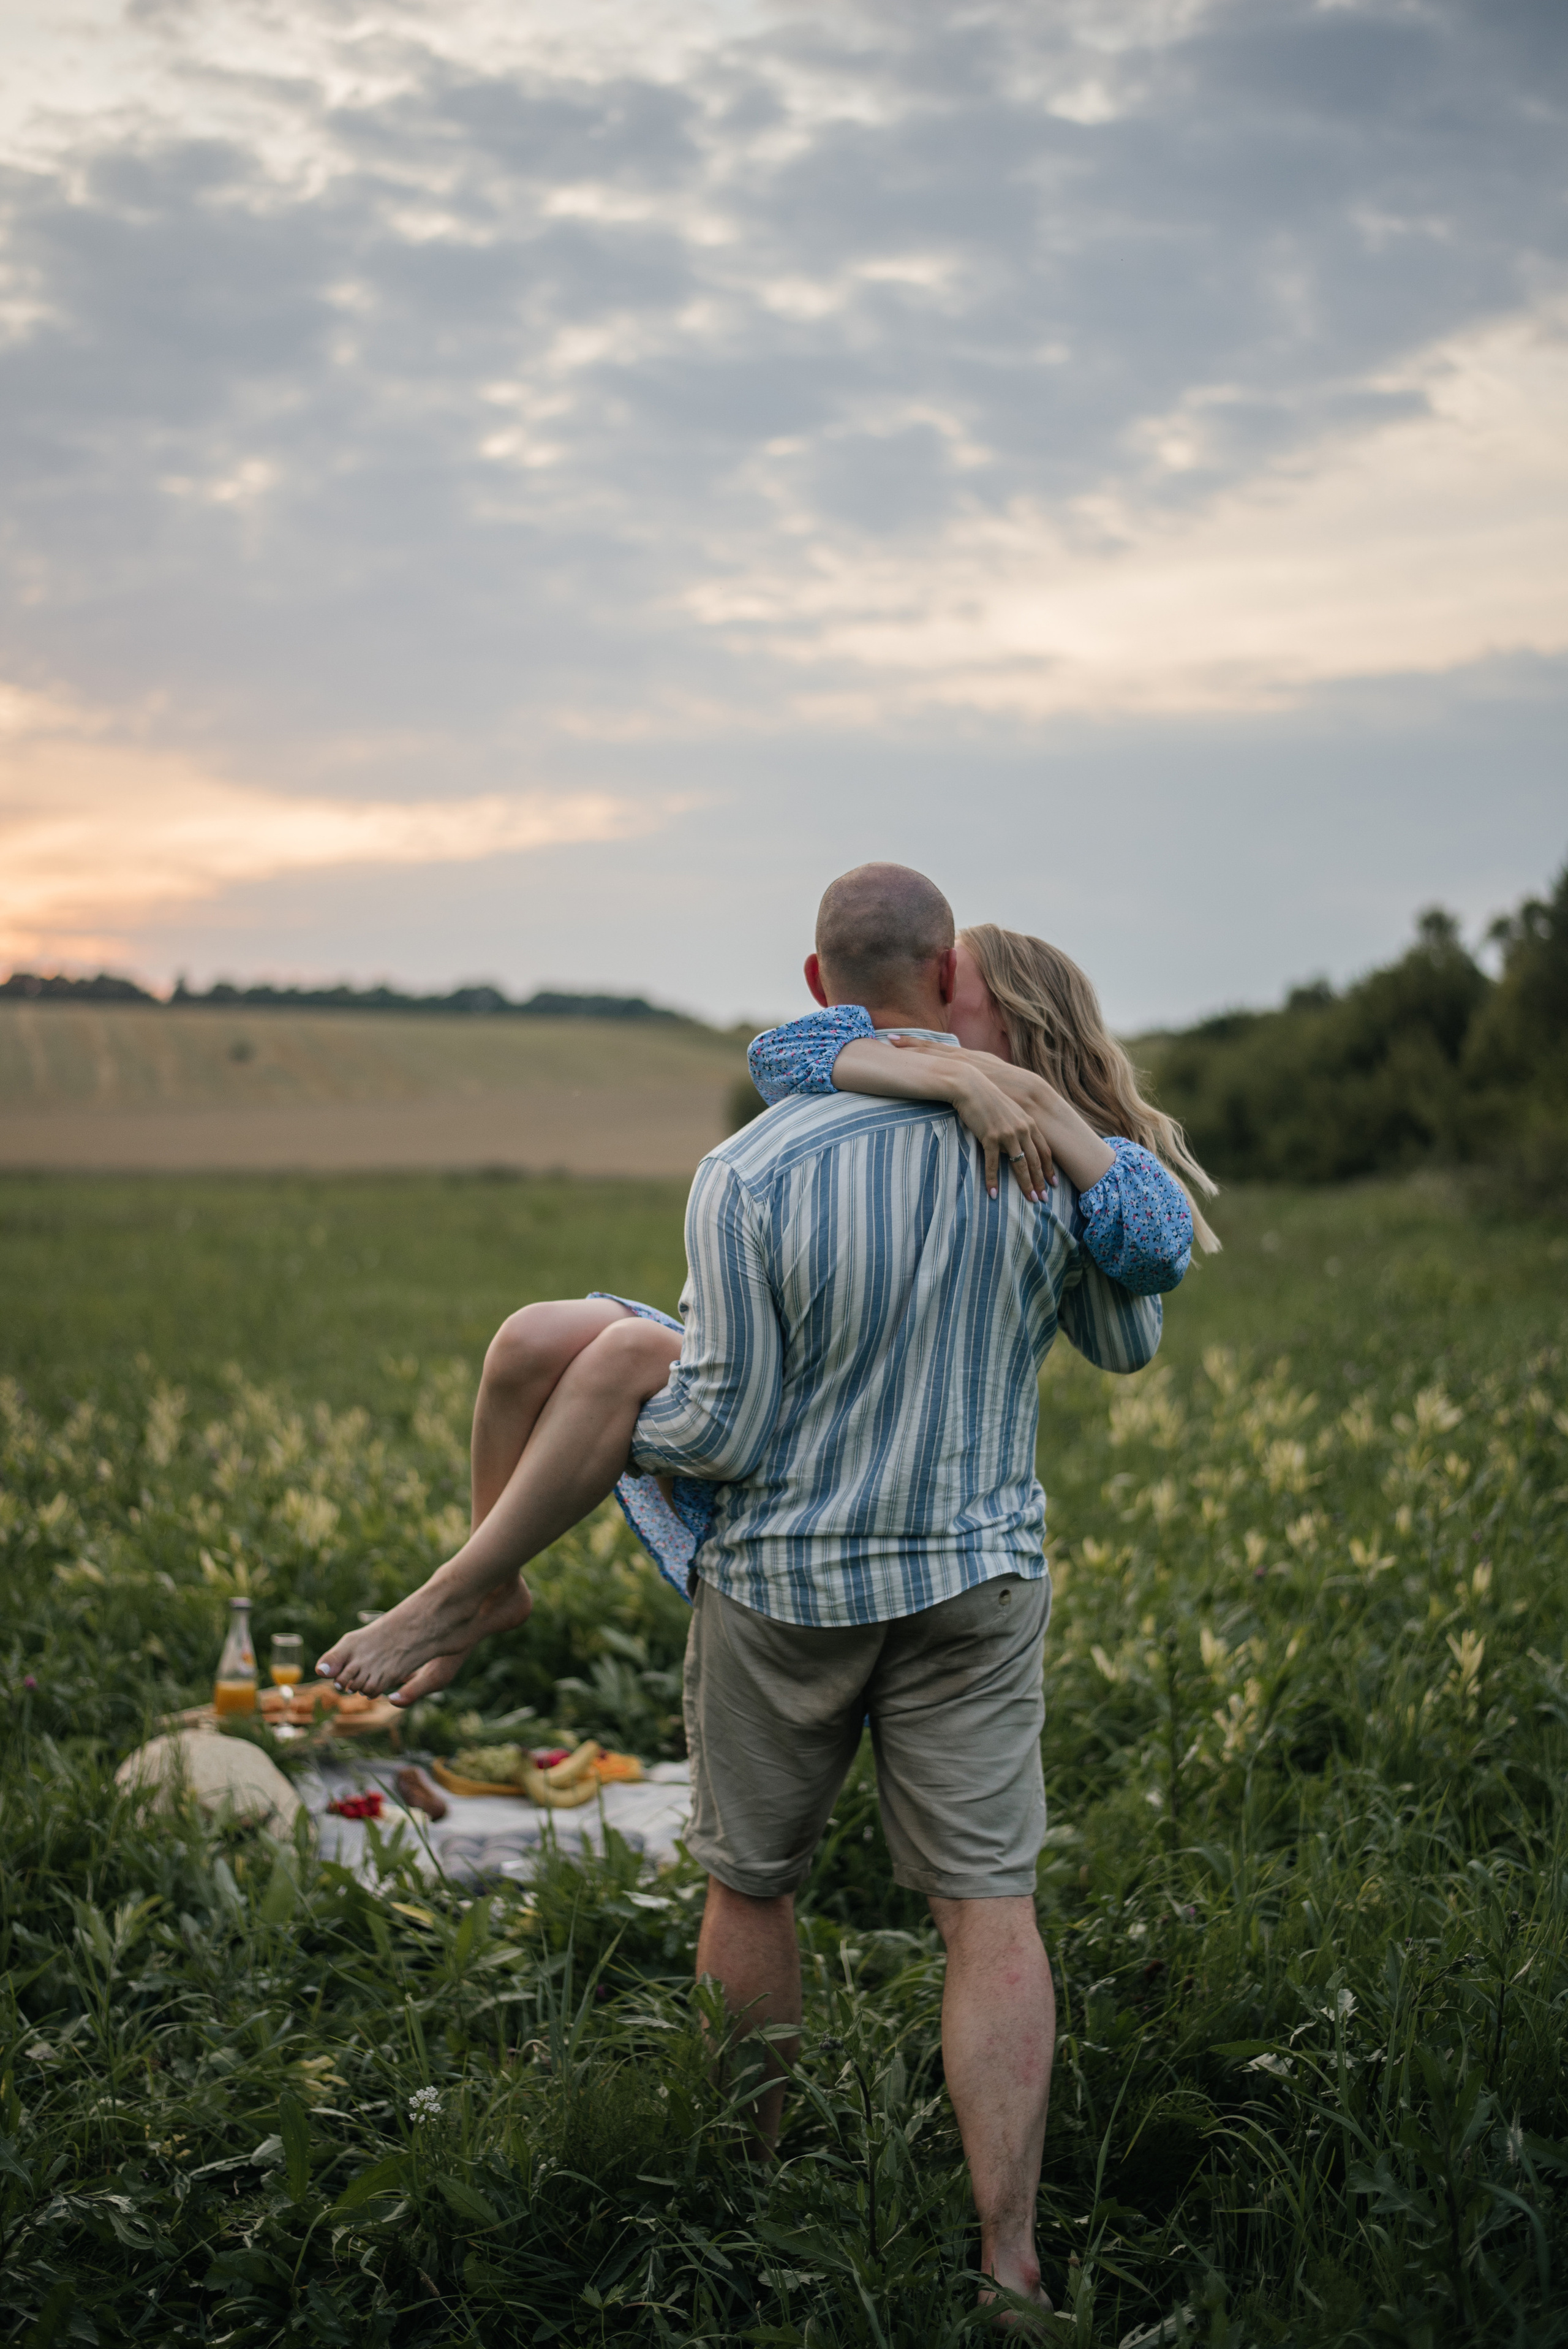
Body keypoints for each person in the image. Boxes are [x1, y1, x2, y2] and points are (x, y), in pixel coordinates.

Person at [317, 864, 1214, 2326]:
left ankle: (747, 2195)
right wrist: (1057, 1136)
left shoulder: (752, 1167)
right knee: (990, 1914)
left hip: (786, 1583)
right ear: (944, 977)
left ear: (816, 984)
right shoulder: (1048, 1159)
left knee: (751, 1888)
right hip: (975, 1578)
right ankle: (1008, 2260)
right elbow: (1126, 1337)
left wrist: (620, 1410)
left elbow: (725, 1431)